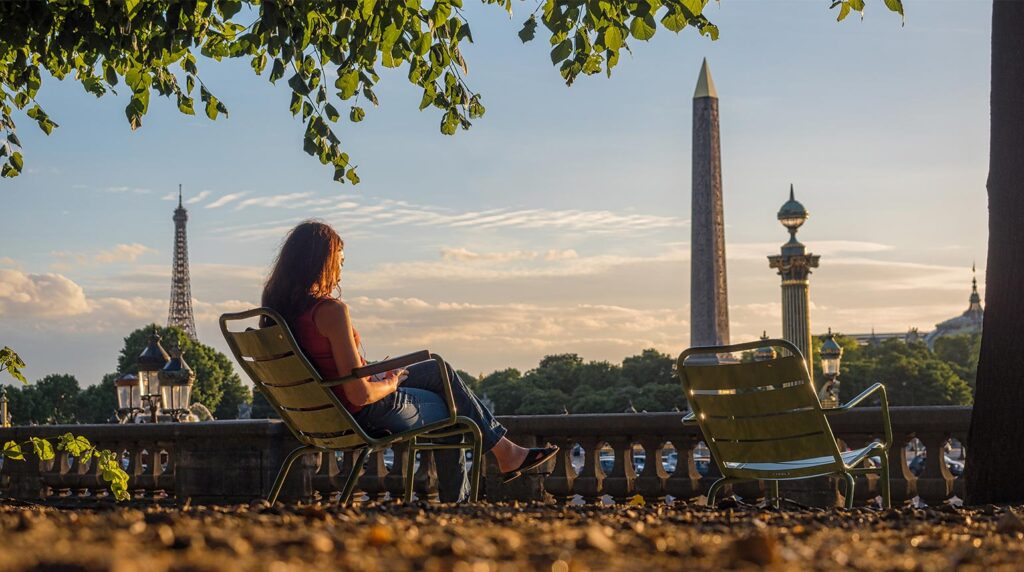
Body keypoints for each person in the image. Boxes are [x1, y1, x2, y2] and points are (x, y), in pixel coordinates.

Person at [260, 220, 557, 502]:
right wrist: (389, 382)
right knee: (450, 407)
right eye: (340, 259)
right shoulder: (330, 311)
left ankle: (505, 454)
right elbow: (359, 394)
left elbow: (329, 372)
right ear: (322, 261)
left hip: (319, 414)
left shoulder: (281, 313)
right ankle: (476, 485)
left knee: (435, 370)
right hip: (363, 413)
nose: (341, 268)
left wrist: (379, 373)